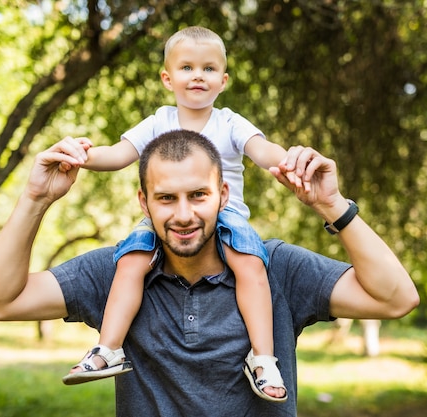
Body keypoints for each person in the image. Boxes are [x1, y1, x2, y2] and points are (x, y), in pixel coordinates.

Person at [0, 130, 420, 417]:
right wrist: (35, 198)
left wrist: (333, 206)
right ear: (143, 203)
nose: (184, 215)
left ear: (223, 195)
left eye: (198, 195)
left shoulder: (274, 267)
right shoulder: (116, 272)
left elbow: (395, 298)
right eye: (166, 198)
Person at [63, 26, 288, 401]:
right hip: (162, 219)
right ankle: (108, 349)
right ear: (168, 78)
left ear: (223, 80)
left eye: (209, 68)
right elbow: (118, 155)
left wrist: (292, 160)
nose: (198, 75)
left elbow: (263, 152)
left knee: (250, 266)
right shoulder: (158, 121)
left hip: (224, 215)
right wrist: (81, 155)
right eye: (187, 67)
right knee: (130, 261)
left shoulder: (230, 122)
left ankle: (263, 358)